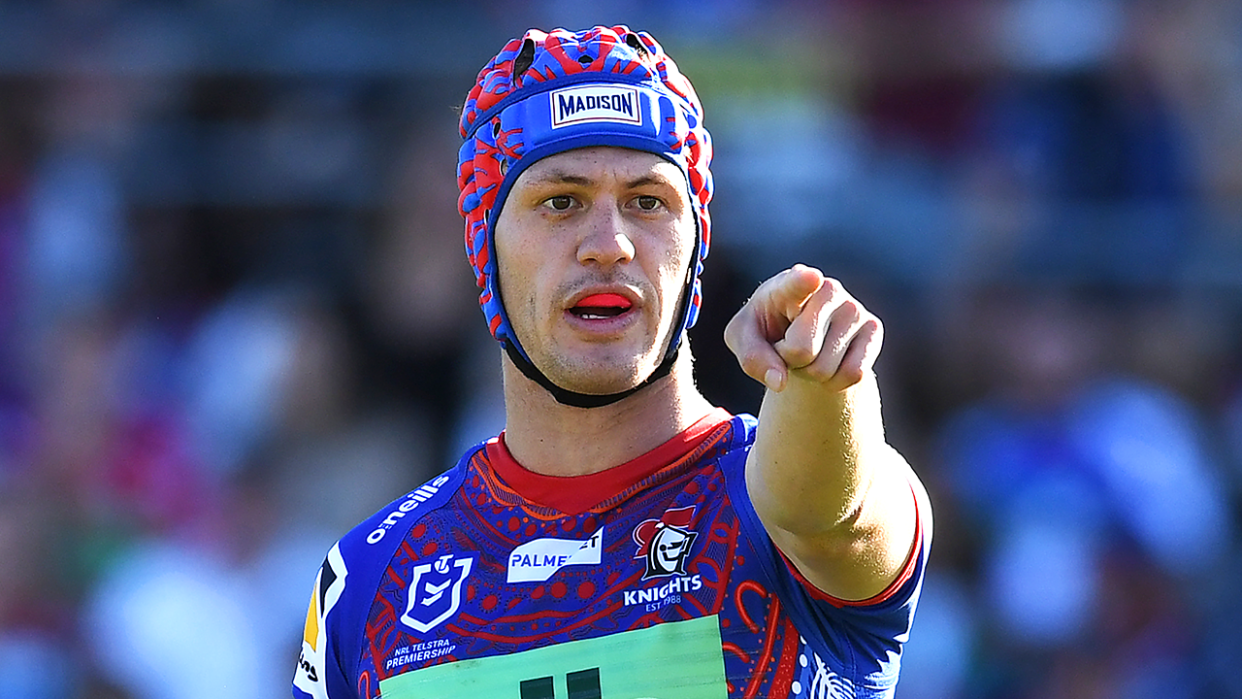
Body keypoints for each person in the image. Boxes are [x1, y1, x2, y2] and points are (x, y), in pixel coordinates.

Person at [293, 25, 931, 699]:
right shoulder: (369, 581)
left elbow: (832, 509)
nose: (610, 244)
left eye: (648, 201)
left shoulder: (769, 501)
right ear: (485, 245)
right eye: (560, 201)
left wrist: (822, 377)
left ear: (695, 244)